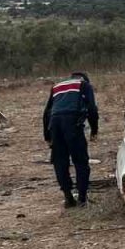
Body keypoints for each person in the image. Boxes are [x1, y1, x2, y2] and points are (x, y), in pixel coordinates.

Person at [42, 72, 98, 208]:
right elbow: (91, 108)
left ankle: (68, 197)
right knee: (80, 161)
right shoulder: (84, 85)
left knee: (60, 162)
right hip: (72, 123)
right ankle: (82, 199)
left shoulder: (57, 87)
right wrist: (94, 130)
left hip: (55, 124)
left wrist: (47, 136)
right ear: (84, 79)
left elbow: (46, 113)